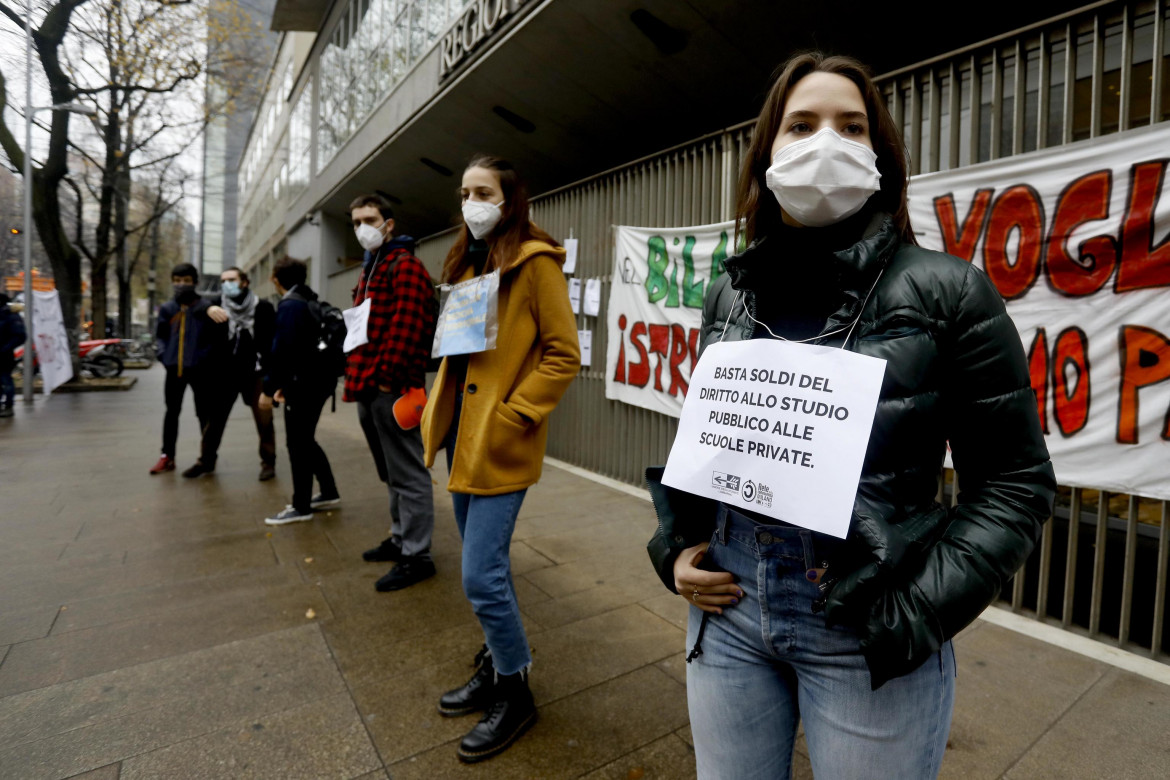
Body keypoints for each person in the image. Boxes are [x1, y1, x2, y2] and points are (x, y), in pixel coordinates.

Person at [645, 53, 1056, 780]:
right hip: (727, 609)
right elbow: (712, 448)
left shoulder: (950, 291)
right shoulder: (727, 294)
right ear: (769, 153)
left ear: (879, 155)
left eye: (851, 126)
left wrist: (916, 610)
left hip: (866, 622)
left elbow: (1015, 486)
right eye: (801, 125)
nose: (825, 142)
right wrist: (677, 548)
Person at [420, 156, 580, 763]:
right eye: (464, 192)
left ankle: (516, 689)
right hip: (462, 440)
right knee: (485, 570)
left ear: (511, 199)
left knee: (480, 576)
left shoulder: (536, 265)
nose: (471, 202)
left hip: (498, 440)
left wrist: (517, 414)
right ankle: (496, 661)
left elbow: (562, 354)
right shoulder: (466, 262)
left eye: (482, 192)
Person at [344, 194, 439, 591]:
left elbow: (408, 325)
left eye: (370, 218)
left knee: (409, 472)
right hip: (369, 386)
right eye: (355, 222)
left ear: (389, 224)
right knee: (391, 472)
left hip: (391, 388)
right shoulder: (372, 268)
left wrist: (386, 378)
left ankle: (417, 555)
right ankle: (401, 537)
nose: (363, 227)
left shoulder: (405, 266)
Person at [259, 257, 340, 525]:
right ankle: (328, 492)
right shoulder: (309, 300)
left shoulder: (290, 305)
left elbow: (283, 351)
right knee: (305, 439)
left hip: (304, 386)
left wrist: (269, 388)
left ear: (275, 278)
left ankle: (301, 505)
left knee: (298, 444)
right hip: (316, 383)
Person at [198, 266, 278, 482]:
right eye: (223, 281)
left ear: (245, 282)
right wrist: (207, 309)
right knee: (214, 421)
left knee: (264, 420)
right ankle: (205, 461)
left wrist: (272, 376)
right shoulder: (216, 307)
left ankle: (268, 462)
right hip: (225, 375)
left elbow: (272, 342)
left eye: (231, 280)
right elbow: (195, 304)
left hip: (257, 373)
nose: (226, 284)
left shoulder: (263, 307)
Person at [150, 264, 230, 475]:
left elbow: (217, 340)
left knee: (204, 414)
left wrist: (203, 358)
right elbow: (160, 335)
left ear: (195, 282)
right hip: (173, 370)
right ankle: (167, 456)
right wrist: (163, 354)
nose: (181, 284)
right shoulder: (168, 308)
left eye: (186, 280)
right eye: (177, 280)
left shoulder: (206, 307)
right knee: (171, 413)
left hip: (200, 371)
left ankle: (207, 457)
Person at [0, 292, 26, 418]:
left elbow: (20, 336)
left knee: (5, 380)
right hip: (4, 353)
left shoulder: (11, 316)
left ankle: (8, 406)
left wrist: (5, 348)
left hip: (4, 355)